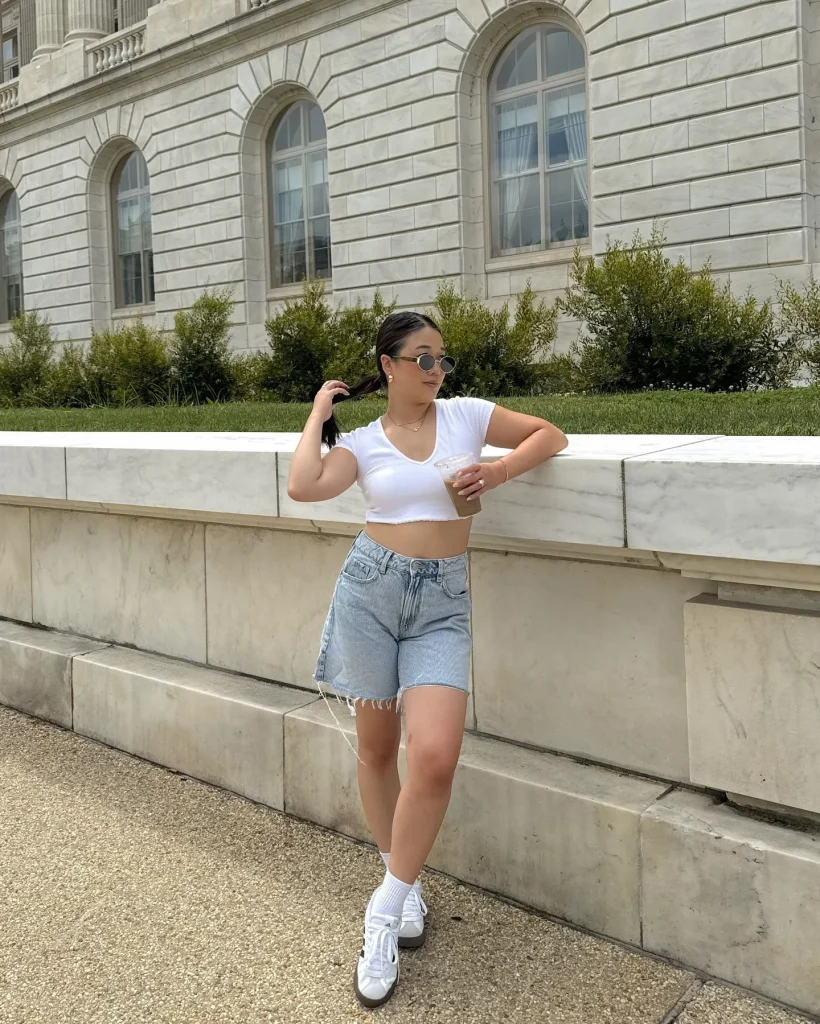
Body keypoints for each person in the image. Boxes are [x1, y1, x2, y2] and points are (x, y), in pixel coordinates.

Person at [287, 310, 568, 1009]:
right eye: (421, 358)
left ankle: (385, 909)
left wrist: (495, 474)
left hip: (442, 603)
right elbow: (304, 486)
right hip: (371, 597)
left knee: (436, 755)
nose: (435, 370)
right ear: (388, 366)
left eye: (442, 359)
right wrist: (319, 412)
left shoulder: (468, 417)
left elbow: (551, 434)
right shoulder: (362, 442)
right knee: (377, 750)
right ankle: (401, 880)